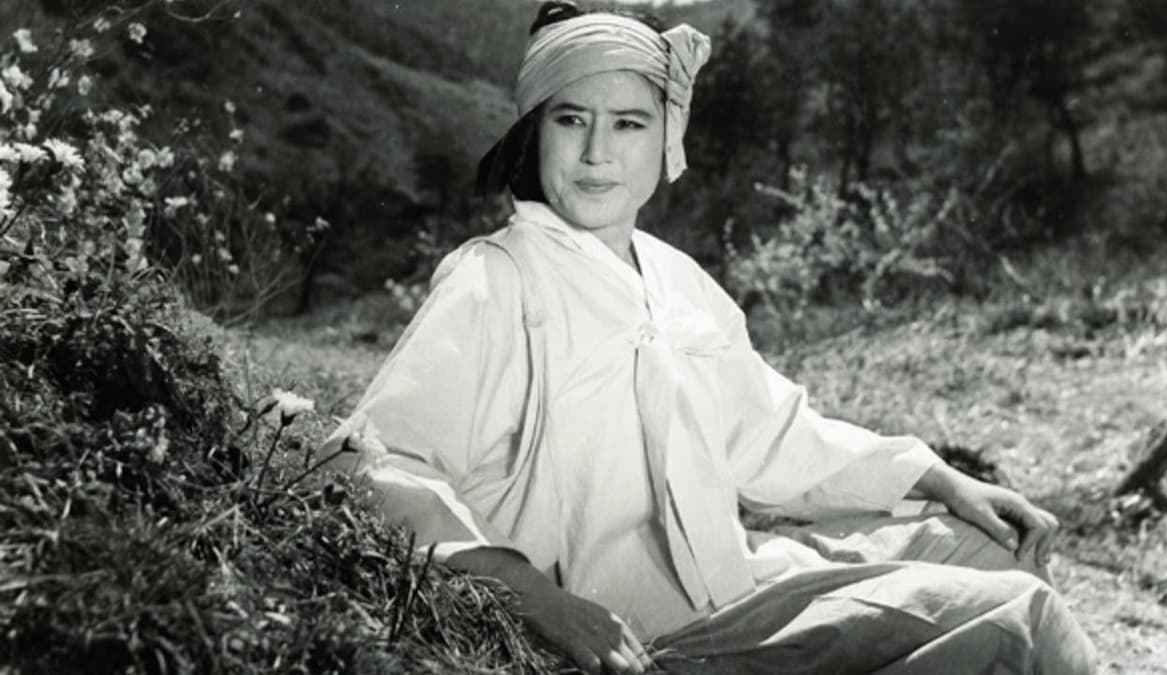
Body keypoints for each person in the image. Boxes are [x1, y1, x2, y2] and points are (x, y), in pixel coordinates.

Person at [323, 2, 1098, 673]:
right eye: (572, 119)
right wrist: (539, 599)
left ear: (667, 136)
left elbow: (776, 435)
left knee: (991, 543)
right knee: (1022, 619)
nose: (597, 153)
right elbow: (378, 463)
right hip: (656, 641)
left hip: (744, 586)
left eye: (629, 123)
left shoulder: (676, 278)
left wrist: (941, 477)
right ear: (534, 132)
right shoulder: (496, 280)